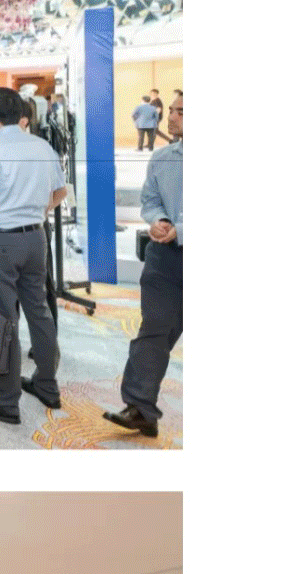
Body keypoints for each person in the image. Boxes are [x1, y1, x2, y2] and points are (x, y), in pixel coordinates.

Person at [0, 86, 66, 426]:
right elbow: (60, 191)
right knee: (40, 311)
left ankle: (6, 400)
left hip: (1, 241)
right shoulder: (41, 145)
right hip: (36, 237)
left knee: (4, 319)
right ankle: (47, 385)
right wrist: (37, 211)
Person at [104, 93, 183, 437]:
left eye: (180, 112)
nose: (171, 117)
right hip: (165, 258)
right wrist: (158, 219)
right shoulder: (162, 157)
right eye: (173, 111)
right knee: (154, 328)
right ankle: (140, 407)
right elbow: (150, 200)